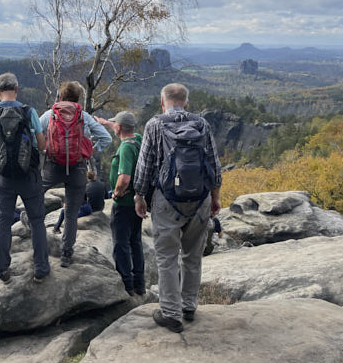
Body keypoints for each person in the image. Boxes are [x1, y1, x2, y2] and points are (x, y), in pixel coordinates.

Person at [133, 83, 222, 333]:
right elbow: (214, 164)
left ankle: (171, 313)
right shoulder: (202, 124)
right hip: (200, 200)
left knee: (167, 257)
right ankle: (189, 306)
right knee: (193, 255)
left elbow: (145, 165)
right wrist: (215, 197)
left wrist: (139, 196)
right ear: (186, 103)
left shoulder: (155, 124)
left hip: (167, 200)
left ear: (163, 102)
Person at [0, 72, 50, 284]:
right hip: (30, 176)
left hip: (3, 177)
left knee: (2, 221)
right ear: (17, 90)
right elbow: (43, 145)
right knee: (37, 221)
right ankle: (41, 269)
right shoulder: (29, 112)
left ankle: (2, 270)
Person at [39, 81, 112, 267]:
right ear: (78, 98)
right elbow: (107, 138)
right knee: (71, 213)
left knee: (35, 194)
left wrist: (45, 150)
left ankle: (31, 226)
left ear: (60, 97)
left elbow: (35, 136)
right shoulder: (84, 116)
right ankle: (66, 254)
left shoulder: (50, 114)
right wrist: (90, 150)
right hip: (78, 168)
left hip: (53, 166)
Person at [100, 111, 145, 296]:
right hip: (137, 200)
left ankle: (126, 285)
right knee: (135, 241)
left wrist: (116, 194)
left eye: (115, 124)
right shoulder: (139, 139)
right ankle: (139, 283)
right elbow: (122, 126)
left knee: (121, 244)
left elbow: (124, 178)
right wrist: (105, 122)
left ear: (119, 128)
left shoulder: (126, 148)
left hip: (124, 203)